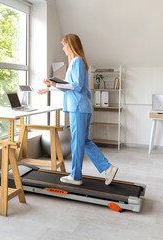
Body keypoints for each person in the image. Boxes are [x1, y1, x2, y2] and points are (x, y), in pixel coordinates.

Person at [37, 34, 118, 186]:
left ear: (72, 45)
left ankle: (76, 176)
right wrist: (49, 88)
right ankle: (108, 168)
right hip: (80, 107)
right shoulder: (75, 62)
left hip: (79, 108)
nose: (63, 48)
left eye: (64, 45)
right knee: (83, 141)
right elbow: (70, 88)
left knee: (77, 142)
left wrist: (55, 85)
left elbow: (77, 86)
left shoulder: (78, 61)